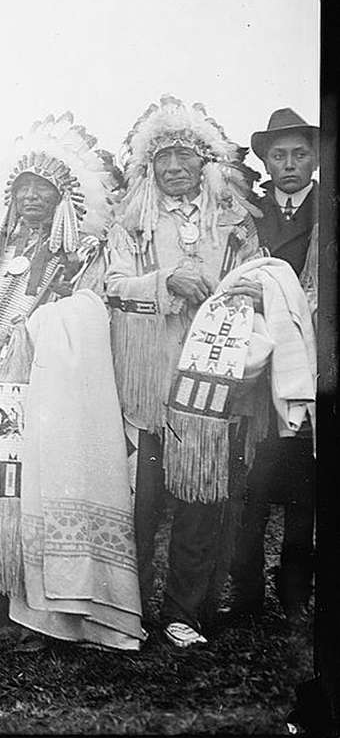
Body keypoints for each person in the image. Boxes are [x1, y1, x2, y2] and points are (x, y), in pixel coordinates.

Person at [0, 115, 119, 652]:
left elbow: (88, 317)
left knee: (34, 499)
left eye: (43, 192)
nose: (31, 200)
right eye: (23, 191)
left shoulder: (79, 257)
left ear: (62, 200)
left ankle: (37, 619)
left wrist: (32, 337)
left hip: (44, 394)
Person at [105, 95, 269, 649]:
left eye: (184, 157)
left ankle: (184, 612)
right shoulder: (130, 222)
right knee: (141, 505)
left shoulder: (235, 221)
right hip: (150, 382)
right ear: (148, 166)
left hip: (213, 381)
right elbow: (111, 286)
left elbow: (263, 277)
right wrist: (164, 281)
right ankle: (126, 609)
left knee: (202, 500)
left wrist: (249, 289)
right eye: (163, 159)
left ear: (206, 162)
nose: (174, 168)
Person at [228, 108, 320, 628]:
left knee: (305, 483)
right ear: (264, 160)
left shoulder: (328, 211)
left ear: (314, 159)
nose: (289, 165)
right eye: (279, 155)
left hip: (307, 359)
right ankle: (244, 595)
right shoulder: (252, 214)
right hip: (256, 359)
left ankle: (295, 593)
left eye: (299, 154)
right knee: (252, 482)